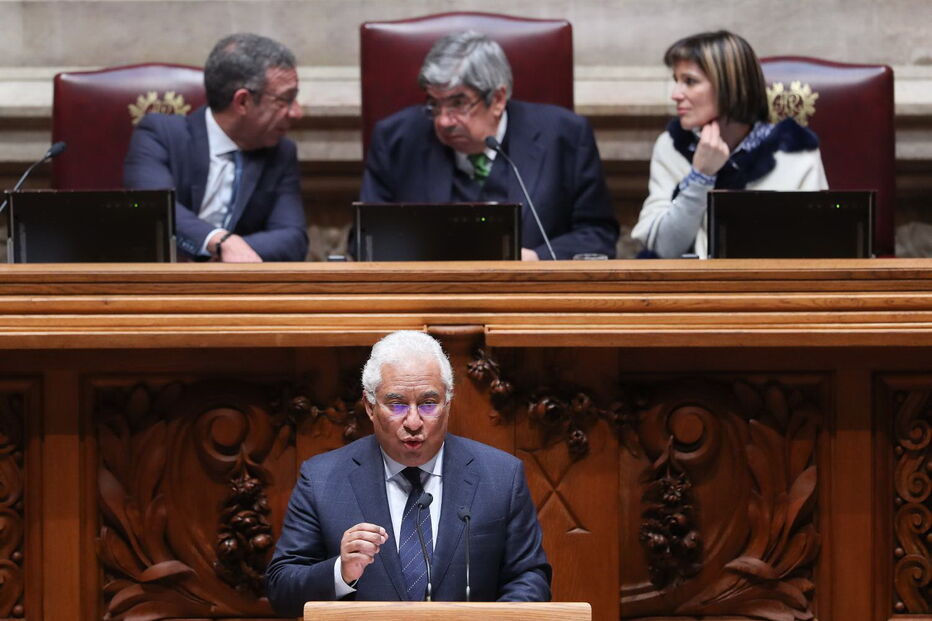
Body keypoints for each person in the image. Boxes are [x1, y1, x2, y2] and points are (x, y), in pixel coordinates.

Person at [266, 331, 551, 615]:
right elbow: (282, 589)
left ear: (448, 404)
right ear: (370, 406)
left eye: (428, 404)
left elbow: (530, 578)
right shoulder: (322, 479)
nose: (413, 421)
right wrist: (341, 571)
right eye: (396, 404)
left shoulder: (501, 476)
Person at [359, 31, 619, 260]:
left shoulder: (566, 136)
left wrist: (538, 259)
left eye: (458, 103)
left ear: (497, 99)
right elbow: (363, 239)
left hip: (531, 301)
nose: (443, 121)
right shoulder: (396, 139)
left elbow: (598, 235)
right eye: (435, 105)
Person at [631, 30, 828, 259]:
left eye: (690, 81)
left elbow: (817, 251)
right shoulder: (671, 146)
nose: (676, 94)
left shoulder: (795, 150)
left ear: (732, 86)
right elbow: (663, 250)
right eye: (677, 81)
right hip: (690, 290)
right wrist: (701, 177)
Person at [124, 33, 308, 262]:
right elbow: (152, 210)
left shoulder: (281, 151)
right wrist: (217, 241)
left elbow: (293, 237)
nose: (297, 112)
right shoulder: (160, 135)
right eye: (285, 99)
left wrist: (228, 252)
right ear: (242, 102)